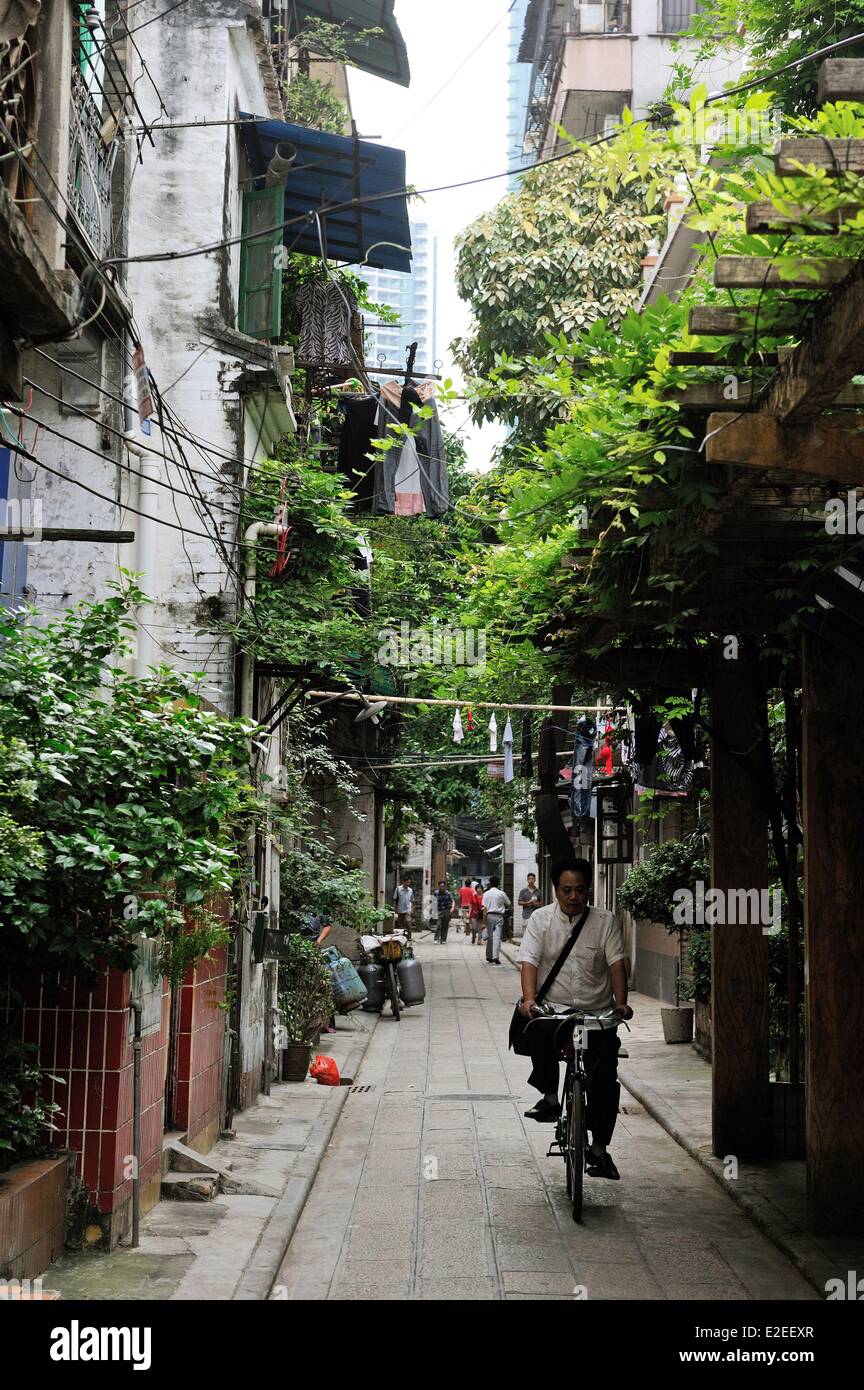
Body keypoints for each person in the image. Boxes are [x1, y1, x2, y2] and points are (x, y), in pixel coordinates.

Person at [516, 856, 632, 1181]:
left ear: (588, 891)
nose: (573, 896)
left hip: (596, 1014)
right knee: (538, 1030)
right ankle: (550, 1098)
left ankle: (598, 1150)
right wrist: (529, 1000)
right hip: (555, 1011)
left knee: (606, 1080)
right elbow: (529, 961)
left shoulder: (605, 921)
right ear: (555, 890)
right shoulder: (540, 920)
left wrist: (621, 1005)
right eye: (567, 890)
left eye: (580, 890)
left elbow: (617, 965)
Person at [482, 877, 511, 964]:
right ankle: (496, 957)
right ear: (498, 884)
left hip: (489, 916)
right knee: (497, 937)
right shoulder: (501, 893)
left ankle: (489, 956)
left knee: (490, 937)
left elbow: (485, 909)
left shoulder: (486, 894)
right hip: (499, 916)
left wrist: (484, 922)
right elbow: (509, 903)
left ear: (490, 883)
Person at [392, 876, 414, 940]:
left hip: (408, 910)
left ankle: (409, 937)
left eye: (409, 882)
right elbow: (394, 899)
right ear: (403, 882)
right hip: (400, 909)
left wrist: (412, 909)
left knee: (407, 922)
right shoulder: (398, 889)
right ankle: (402, 937)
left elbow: (412, 900)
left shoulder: (410, 890)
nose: (408, 884)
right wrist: (394, 907)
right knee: (400, 924)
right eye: (407, 882)